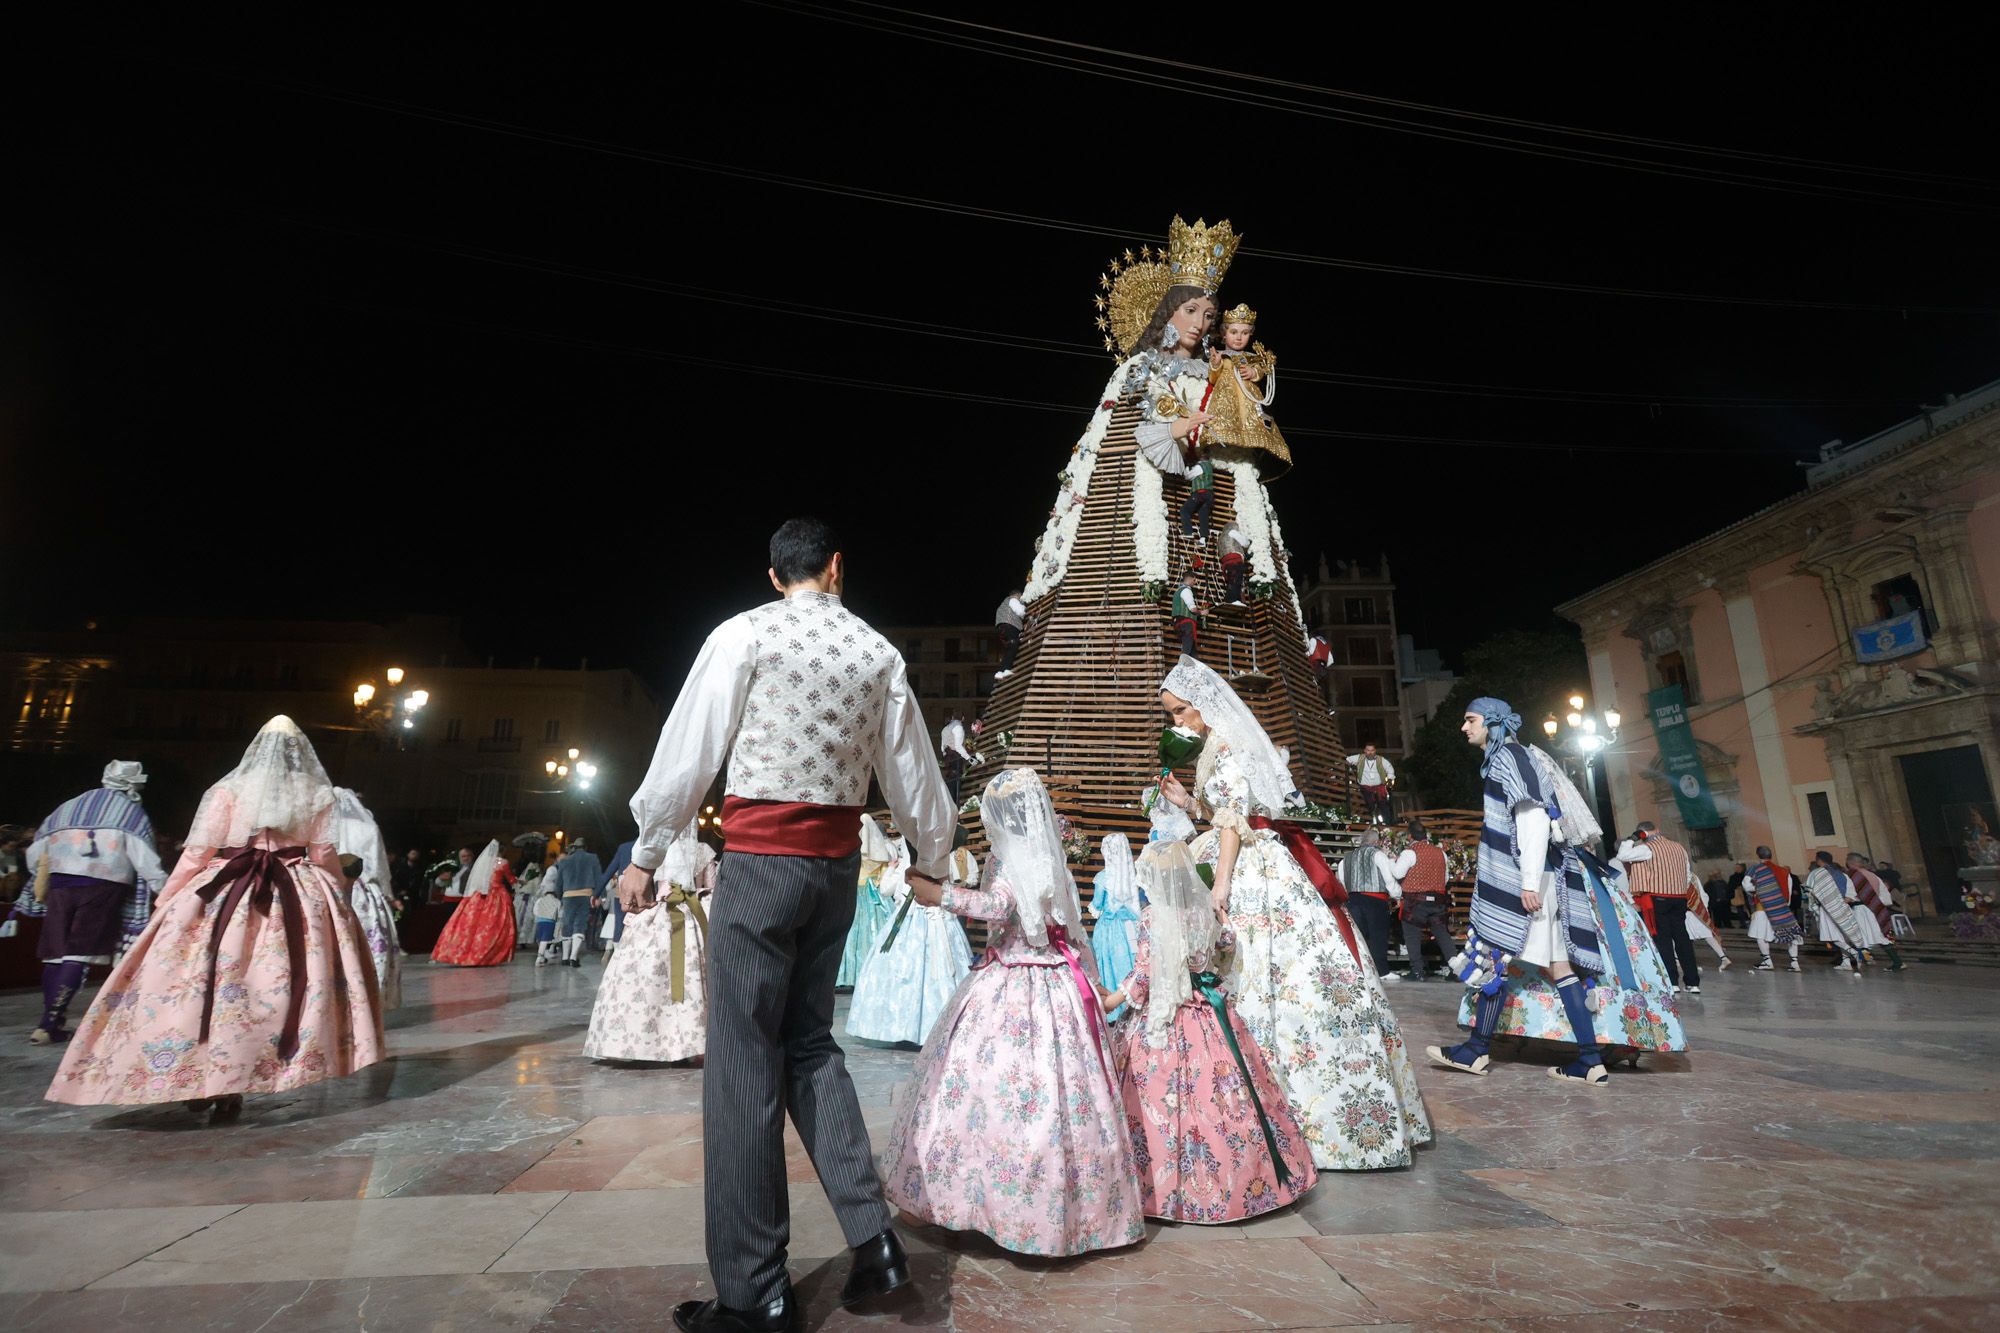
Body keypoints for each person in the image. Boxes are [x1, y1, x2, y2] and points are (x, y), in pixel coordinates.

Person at [620, 517, 956, 1332]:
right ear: (838, 567)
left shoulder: (745, 633)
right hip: (835, 870)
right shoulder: (878, 652)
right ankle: (873, 1240)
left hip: (762, 864)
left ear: (774, 575)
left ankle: (754, 1290)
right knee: (809, 1044)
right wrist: (932, 856)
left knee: (741, 1060)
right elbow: (911, 768)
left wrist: (649, 847)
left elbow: (689, 745)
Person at [1156, 654, 1431, 1169]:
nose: (1176, 722)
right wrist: (1191, 807)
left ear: (1204, 705)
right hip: (1233, 849)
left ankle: (1299, 1115)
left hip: (1251, 868)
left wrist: (1220, 884)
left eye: (1179, 711)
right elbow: (1222, 815)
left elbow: (1237, 821)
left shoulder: (1229, 745)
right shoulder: (1214, 746)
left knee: (1265, 970)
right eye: (1171, 714)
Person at [47, 717, 385, 1119]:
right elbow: (324, 853)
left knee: (198, 985)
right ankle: (238, 1079)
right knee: (272, 988)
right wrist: (336, 894)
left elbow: (197, 852)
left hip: (223, 888)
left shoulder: (226, 789)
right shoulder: (316, 792)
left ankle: (200, 1075)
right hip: (294, 889)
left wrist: (171, 898)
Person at [879, 767, 1142, 1256]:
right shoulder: (1049, 856)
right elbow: (1065, 926)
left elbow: (999, 908)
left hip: (1014, 982)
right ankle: (1069, 1212)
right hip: (1054, 981)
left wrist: (940, 896)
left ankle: (993, 1205)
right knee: (1059, 1094)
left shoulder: (1008, 856)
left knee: (983, 1088)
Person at [1100, 839, 1317, 1223]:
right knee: (1232, 1095)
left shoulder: (1153, 917)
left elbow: (1146, 973)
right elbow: (1226, 948)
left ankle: (1169, 1192)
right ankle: (1253, 1178)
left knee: (1167, 1097)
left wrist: (1113, 1000)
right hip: (1209, 1009)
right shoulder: (1204, 909)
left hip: (1170, 1015)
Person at [1428, 697, 1612, 1086]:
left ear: (1492, 722)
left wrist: (1527, 881)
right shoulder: (1515, 757)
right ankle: (1590, 1060)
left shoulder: (1509, 758)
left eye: (1470, 719)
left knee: (1496, 956)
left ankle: (1476, 1051)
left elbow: (1532, 816)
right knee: (1559, 967)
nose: (1464, 727)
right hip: (1546, 878)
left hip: (1528, 880)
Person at [9, 761, 166, 1045]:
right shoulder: (130, 813)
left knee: (55, 954)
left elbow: (36, 853)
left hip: (59, 885)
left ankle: (49, 1021)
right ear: (133, 785)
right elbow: (145, 859)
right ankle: (49, 1023)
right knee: (79, 953)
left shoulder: (67, 807)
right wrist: (165, 889)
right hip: (102, 887)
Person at [585, 822, 717, 1064]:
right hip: (695, 914)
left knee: (651, 975)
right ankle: (693, 1039)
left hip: (659, 912)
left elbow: (634, 882)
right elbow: (712, 886)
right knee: (693, 974)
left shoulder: (653, 851)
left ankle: (646, 1040)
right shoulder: (703, 850)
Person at [845, 836, 973, 1047]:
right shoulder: (930, 843)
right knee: (913, 968)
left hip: (929, 911)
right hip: (922, 910)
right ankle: (914, 1027)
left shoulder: (918, 844)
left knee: (918, 967)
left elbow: (889, 888)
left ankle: (919, 1027)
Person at [333, 787, 402, 1009]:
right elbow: (380, 866)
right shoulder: (368, 827)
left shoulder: (326, 826)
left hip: (332, 885)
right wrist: (389, 895)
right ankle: (370, 997)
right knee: (370, 944)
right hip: (365, 890)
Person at [1617, 822, 1704, 994]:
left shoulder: (1648, 849)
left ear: (1643, 832)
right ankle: (1692, 982)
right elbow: (1687, 874)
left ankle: (1672, 981)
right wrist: (1678, 889)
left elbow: (1623, 855)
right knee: (1682, 938)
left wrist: (1632, 839)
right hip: (1679, 897)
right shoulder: (1679, 847)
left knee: (1663, 939)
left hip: (1659, 897)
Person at [431, 839, 517, 966]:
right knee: (494, 925)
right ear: (502, 851)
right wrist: (520, 882)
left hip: (478, 895)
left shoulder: (482, 863)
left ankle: (461, 952)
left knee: (471, 924)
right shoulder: (502, 862)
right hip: (497, 894)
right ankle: (489, 954)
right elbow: (510, 879)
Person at [837, 814, 896, 990]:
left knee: (852, 935)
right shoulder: (881, 853)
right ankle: (875, 973)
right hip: (874, 896)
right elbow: (884, 877)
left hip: (856, 894)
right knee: (873, 932)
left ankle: (850, 974)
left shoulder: (852, 850)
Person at [1090, 832, 1143, 1020]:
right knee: (1131, 963)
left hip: (1109, 928)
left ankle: (1111, 1005)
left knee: (1109, 963)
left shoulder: (1103, 878)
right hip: (1131, 926)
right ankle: (1132, 1002)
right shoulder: (1133, 876)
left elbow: (1096, 905)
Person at [1394, 820, 1455, 981]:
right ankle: (1456, 970)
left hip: (1415, 901)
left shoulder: (1410, 852)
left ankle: (1418, 971)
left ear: (1409, 836)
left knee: (1412, 935)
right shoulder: (1440, 852)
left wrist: (1391, 862)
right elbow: (1446, 877)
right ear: (1426, 835)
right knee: (1442, 934)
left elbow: (1398, 873)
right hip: (1437, 900)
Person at [1340, 827, 1402, 980]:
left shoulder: (1346, 858)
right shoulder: (1378, 854)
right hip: (1375, 899)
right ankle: (1381, 971)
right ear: (1376, 841)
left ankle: (1356, 970)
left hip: (1353, 899)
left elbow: (1341, 879)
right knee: (1378, 936)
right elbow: (1388, 878)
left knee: (1357, 936)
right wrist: (1397, 894)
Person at [1803, 851, 1870, 973]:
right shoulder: (1842, 874)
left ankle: (1853, 953)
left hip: (1826, 910)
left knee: (1831, 937)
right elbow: (1851, 894)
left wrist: (1815, 908)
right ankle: (1846, 963)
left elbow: (1809, 893)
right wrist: (1840, 903)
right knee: (1843, 935)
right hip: (1843, 907)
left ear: (1818, 860)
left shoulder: (1816, 874)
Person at [1839, 852, 1906, 971]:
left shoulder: (1852, 875)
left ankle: (1867, 960)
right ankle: (1890, 961)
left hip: (1861, 909)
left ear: (1851, 863)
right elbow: (1885, 895)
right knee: (1878, 935)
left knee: (1861, 936)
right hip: (1876, 907)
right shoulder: (1872, 875)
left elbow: (1849, 894)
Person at [1745, 847, 1805, 971]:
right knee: (1791, 933)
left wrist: (1757, 893)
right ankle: (1794, 963)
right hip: (1781, 907)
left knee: (1760, 934)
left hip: (1763, 906)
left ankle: (1767, 961)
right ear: (1771, 855)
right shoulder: (1783, 871)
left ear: (1758, 855)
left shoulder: (1754, 869)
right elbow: (1788, 889)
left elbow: (1747, 886)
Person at [548, 836, 602, 969]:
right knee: (580, 924)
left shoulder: (564, 861)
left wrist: (559, 896)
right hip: (585, 894)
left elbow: (559, 882)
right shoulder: (592, 858)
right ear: (586, 847)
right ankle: (573, 957)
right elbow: (598, 877)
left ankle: (565, 957)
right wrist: (600, 896)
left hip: (568, 895)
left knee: (567, 924)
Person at [598, 837, 636, 952]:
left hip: (622, 892)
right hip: (643, 894)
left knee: (619, 924)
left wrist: (596, 893)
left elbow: (609, 871)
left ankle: (617, 955)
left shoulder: (624, 847)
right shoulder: (653, 847)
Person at [1347, 743, 1396, 825]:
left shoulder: (1381, 760)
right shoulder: (1359, 758)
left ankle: (1388, 824)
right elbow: (1347, 760)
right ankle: (1368, 822)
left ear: (1375, 751)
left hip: (1379, 787)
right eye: (1368, 750)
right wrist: (1349, 768)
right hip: (1365, 788)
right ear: (1365, 751)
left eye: (1372, 750)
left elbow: (1389, 768)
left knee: (1384, 805)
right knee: (1368, 805)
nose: (1370, 752)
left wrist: (1390, 779)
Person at [1179, 448, 1217, 543]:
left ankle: (1188, 533)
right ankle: (1203, 539)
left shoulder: (1199, 466)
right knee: (1203, 515)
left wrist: (1187, 467)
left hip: (1200, 493)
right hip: (1209, 496)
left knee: (1185, 510)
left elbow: (1188, 476)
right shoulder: (1209, 467)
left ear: (1201, 456)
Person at [939, 711, 973, 802]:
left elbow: (942, 747)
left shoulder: (945, 728)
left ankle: (950, 804)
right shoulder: (958, 727)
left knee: (949, 781)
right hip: (955, 758)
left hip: (948, 758)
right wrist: (968, 758)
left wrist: (946, 756)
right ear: (963, 718)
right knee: (956, 783)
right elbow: (958, 746)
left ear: (953, 717)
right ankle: (955, 804)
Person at [993, 589, 1026, 680]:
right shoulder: (1012, 600)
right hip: (1010, 625)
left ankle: (1001, 671)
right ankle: (1006, 669)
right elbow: (1020, 612)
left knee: (1010, 649)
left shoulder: (1003, 605)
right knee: (1014, 645)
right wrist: (1025, 611)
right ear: (1017, 595)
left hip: (1002, 628)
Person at [1172, 567, 1201, 656]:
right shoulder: (1186, 591)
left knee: (1192, 651)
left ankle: (1190, 667)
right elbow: (1192, 609)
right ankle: (1183, 666)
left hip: (1178, 623)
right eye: (1194, 580)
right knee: (1187, 650)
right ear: (1192, 579)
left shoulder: (1177, 591)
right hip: (1186, 624)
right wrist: (1201, 612)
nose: (1195, 582)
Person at [1218, 523, 1249, 605]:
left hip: (1225, 561)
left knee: (1231, 581)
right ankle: (1232, 600)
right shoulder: (1232, 532)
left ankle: (1232, 599)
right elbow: (1245, 543)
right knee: (1236, 580)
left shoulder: (1221, 537)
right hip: (1235, 559)